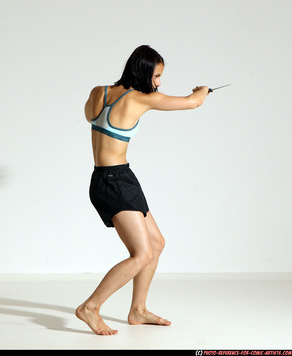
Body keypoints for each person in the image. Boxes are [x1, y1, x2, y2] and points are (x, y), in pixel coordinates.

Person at [76, 45, 209, 335]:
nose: (159, 82)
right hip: (115, 182)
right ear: (144, 72)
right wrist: (203, 89)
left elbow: (90, 117)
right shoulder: (141, 99)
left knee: (156, 244)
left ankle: (138, 310)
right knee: (141, 254)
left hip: (114, 178)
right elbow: (192, 103)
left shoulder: (98, 92)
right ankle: (90, 307)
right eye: (157, 75)